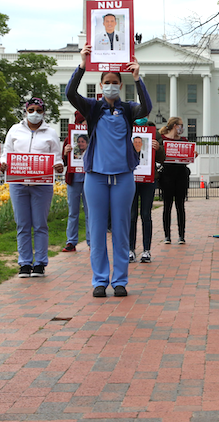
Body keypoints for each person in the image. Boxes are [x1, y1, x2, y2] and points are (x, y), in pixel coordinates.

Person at [66, 43, 151, 298]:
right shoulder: (93, 108)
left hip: (123, 176)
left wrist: (137, 78)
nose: (112, 85)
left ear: (120, 85)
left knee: (122, 228)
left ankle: (120, 280)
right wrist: (82, 65)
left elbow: (146, 108)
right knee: (97, 227)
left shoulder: (128, 109)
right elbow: (71, 93)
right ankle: (100, 280)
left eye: (116, 81)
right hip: (96, 177)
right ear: (101, 85)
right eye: (108, 82)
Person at [1, 98, 64, 278]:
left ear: (43, 112)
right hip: (18, 183)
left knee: (40, 224)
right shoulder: (14, 130)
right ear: (25, 111)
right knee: (22, 224)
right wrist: (3, 163)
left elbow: (57, 157)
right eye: (31, 109)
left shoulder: (50, 133)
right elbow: (6, 153)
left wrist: (59, 165)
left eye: (38, 110)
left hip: (42, 185)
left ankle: (40, 263)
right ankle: (25, 263)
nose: (34, 113)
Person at [129, 120, 162, 263]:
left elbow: (162, 158)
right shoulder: (128, 129)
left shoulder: (154, 132)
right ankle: (130, 249)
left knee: (146, 214)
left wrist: (158, 148)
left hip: (148, 180)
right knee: (131, 215)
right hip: (131, 179)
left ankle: (146, 250)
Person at [158, 116, 190, 244]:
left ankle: (181, 235)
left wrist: (193, 154)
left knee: (180, 206)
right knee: (167, 206)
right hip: (167, 175)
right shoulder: (163, 139)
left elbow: (187, 156)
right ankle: (167, 235)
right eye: (180, 125)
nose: (182, 128)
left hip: (181, 175)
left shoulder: (184, 140)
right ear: (174, 126)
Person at [62, 113, 89, 252]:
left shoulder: (94, 138)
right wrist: (66, 152)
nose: (85, 125)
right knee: (73, 211)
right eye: (83, 122)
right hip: (74, 179)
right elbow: (64, 162)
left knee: (90, 211)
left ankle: (91, 242)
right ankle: (71, 241)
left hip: (89, 179)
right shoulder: (69, 139)